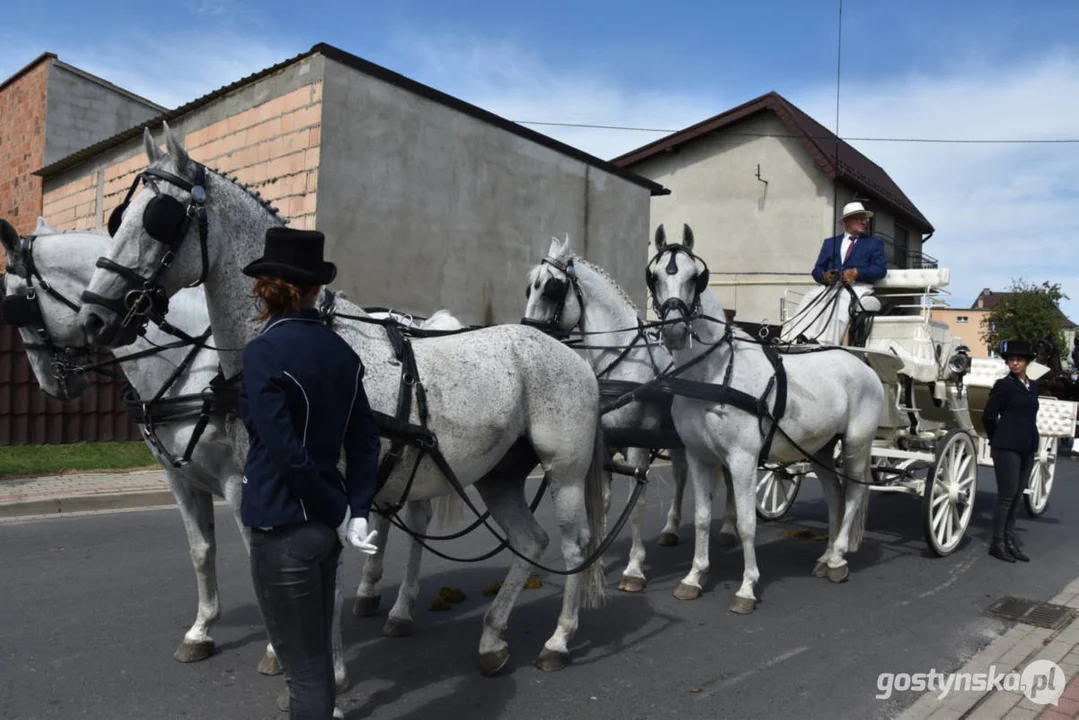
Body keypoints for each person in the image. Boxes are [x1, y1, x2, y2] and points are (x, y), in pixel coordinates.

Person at [239, 226, 382, 719]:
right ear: (316, 289)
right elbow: (364, 440)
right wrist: (357, 512)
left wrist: (343, 511)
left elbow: (286, 455)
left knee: (304, 675)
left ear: (268, 287)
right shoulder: (342, 352)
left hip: (283, 529)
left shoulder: (262, 352)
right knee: (317, 659)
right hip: (326, 532)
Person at [780, 201, 888, 345]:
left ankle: (827, 343)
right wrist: (824, 276)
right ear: (846, 221)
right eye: (859, 218)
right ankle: (793, 339)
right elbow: (816, 270)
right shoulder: (830, 243)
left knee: (841, 301)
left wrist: (857, 273)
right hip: (832, 286)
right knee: (810, 296)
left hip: (859, 286)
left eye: (865, 218)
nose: (864, 222)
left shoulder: (874, 242)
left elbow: (880, 270)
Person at [982, 339, 1040, 563]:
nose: (1014, 363)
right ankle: (997, 542)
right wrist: (997, 438)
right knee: (1006, 496)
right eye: (1011, 360)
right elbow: (988, 416)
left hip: (1027, 445)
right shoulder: (1003, 385)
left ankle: (1009, 538)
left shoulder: (1033, 386)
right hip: (1006, 446)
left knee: (1017, 495)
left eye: (1019, 360)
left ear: (1027, 362)